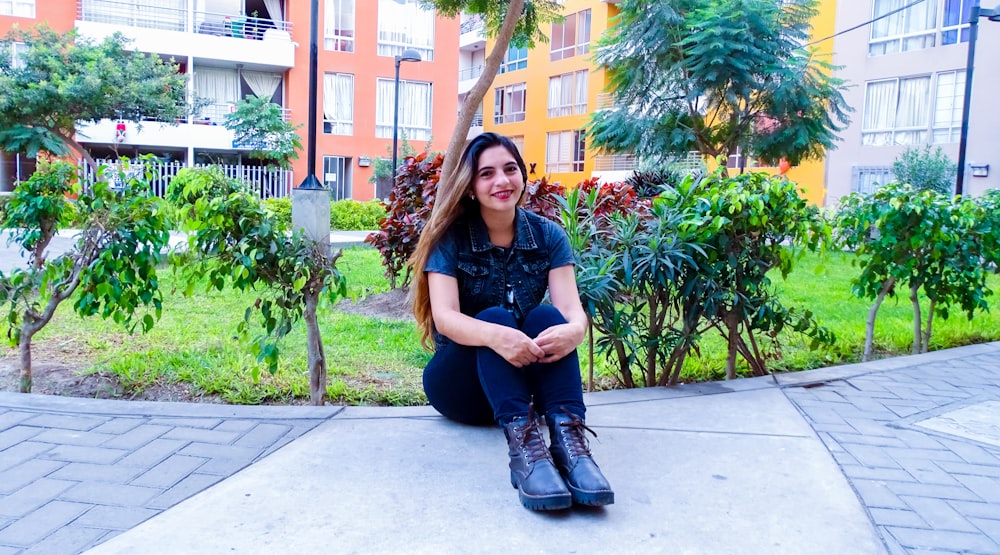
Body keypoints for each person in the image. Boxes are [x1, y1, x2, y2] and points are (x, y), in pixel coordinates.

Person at [409, 132, 614, 511]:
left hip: (519, 385)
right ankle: (527, 455)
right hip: (460, 388)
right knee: (494, 318)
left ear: (522, 175)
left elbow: (571, 310)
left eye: (510, 169)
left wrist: (574, 330)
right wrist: (497, 336)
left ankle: (571, 446)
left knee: (547, 316)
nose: (501, 181)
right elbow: (446, 318)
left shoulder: (548, 235)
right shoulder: (450, 239)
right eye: (486, 174)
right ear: (470, 186)